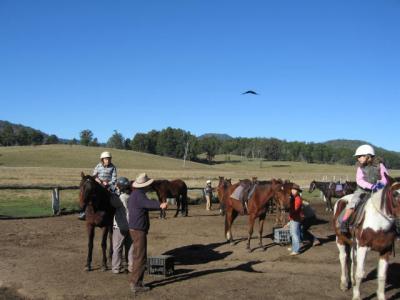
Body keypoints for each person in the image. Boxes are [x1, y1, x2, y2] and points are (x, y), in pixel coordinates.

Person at [128, 173, 168, 294]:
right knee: (140, 257)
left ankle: (135, 281)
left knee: (137, 256)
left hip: (134, 228)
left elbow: (146, 203)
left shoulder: (135, 194)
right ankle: (136, 284)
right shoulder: (140, 195)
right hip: (139, 230)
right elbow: (148, 204)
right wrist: (160, 205)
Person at [340, 144, 389, 232]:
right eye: (358, 157)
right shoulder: (360, 168)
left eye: (360, 156)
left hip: (378, 190)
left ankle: (396, 224)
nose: (358, 158)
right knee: (353, 203)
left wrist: (381, 184)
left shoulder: (380, 166)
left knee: (390, 203)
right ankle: (344, 222)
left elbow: (385, 177)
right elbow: (359, 180)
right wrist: (371, 186)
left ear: (368, 156)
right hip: (362, 191)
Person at [79, 151, 118, 220]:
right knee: (88, 194)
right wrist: (98, 180)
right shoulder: (98, 166)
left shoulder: (113, 167)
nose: (108, 160)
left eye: (109, 159)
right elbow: (94, 175)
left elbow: (114, 179)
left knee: (115, 195)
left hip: (108, 185)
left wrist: (108, 183)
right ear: (102, 159)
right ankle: (83, 212)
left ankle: (116, 212)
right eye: (106, 159)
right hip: (98, 184)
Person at [112, 177, 133, 274]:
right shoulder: (131, 196)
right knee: (130, 247)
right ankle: (131, 267)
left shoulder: (120, 198)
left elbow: (112, 202)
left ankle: (116, 268)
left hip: (120, 226)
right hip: (132, 224)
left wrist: (113, 191)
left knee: (117, 247)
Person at [286, 183, 304, 256]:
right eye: (292, 189)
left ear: (298, 191)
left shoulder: (298, 199)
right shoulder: (294, 198)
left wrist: (288, 209)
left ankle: (296, 250)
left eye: (295, 190)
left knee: (294, 234)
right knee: (294, 233)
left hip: (295, 218)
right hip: (294, 218)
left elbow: (295, 209)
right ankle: (294, 247)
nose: (293, 191)